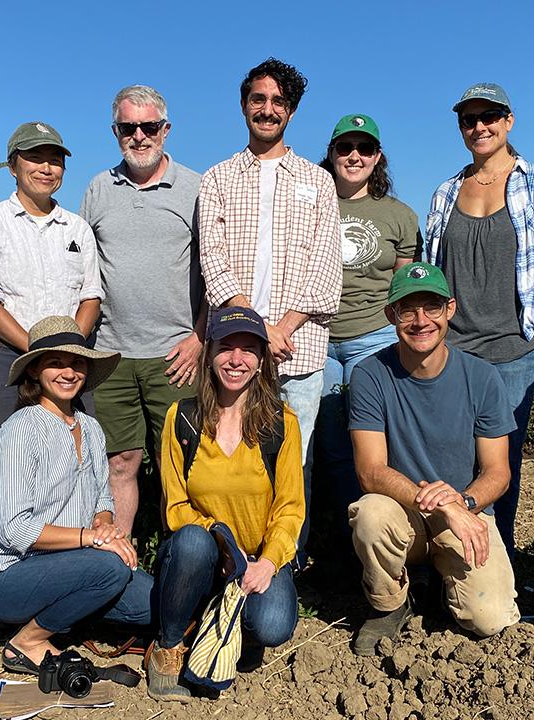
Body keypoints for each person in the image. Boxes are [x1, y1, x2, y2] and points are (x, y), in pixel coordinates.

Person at [419, 82, 534, 562]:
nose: (479, 127)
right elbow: (431, 266)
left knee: (498, 465)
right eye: (469, 119)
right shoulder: (446, 191)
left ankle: (494, 561)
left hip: (513, 353)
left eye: (489, 117)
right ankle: (444, 559)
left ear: (508, 122)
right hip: (454, 349)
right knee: (447, 454)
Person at [198, 58, 341, 561]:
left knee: (291, 463)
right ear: (243, 106)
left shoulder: (318, 183)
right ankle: (226, 561)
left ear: (292, 111)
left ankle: (283, 566)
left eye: (278, 102)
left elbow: (326, 266)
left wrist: (283, 326)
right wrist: (256, 330)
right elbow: (211, 260)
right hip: (235, 350)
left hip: (298, 349)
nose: (267, 109)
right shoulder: (217, 178)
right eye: (258, 99)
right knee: (230, 457)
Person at [347, 263, 521, 655]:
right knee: (370, 514)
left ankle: (441, 586)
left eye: (432, 307)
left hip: (464, 511)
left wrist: (462, 504)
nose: (421, 320)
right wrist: (439, 503)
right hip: (400, 512)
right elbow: (370, 471)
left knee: (489, 618)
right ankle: (389, 605)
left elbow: (498, 472)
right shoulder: (370, 375)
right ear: (391, 315)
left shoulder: (482, 377)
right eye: (408, 310)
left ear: (451, 310)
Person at [0, 316, 152, 675]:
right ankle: (28, 640)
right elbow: (16, 531)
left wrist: (105, 527)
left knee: (152, 604)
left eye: (77, 363)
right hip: (4, 571)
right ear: (35, 370)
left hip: (70, 562)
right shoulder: (21, 431)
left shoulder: (91, 428)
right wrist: (93, 538)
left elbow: (103, 499)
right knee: (110, 568)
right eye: (56, 362)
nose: (68, 372)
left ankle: (58, 616)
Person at [146, 306, 304, 702]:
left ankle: (226, 620)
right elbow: (175, 505)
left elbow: (290, 507)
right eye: (226, 348)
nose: (236, 360)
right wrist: (221, 540)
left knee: (272, 625)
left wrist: (267, 563)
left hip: (257, 557)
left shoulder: (282, 424)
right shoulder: (182, 419)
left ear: (262, 359)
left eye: (248, 349)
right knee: (192, 542)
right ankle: (167, 645)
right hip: (204, 551)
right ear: (209, 352)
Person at [0, 121, 103, 520]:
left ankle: (73, 539)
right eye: (35, 158)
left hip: (69, 359)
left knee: (78, 454)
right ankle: (3, 545)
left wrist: (66, 352)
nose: (46, 167)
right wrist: (36, 351)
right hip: (7, 355)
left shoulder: (76, 228)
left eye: (54, 159)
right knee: (2, 453)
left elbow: (91, 296)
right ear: (12, 165)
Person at [80, 85, 204, 535]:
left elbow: (216, 272)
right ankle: (121, 563)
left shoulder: (195, 188)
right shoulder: (98, 188)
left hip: (175, 357)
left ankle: (183, 567)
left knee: (180, 466)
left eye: (148, 126)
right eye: (128, 127)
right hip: (111, 354)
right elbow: (81, 266)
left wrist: (199, 338)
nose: (139, 136)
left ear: (165, 130)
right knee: (121, 461)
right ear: (116, 132)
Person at [314, 113, 419, 541]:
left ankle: (376, 536)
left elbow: (404, 289)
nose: (354, 156)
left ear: (378, 158)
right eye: (345, 148)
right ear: (332, 154)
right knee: (325, 443)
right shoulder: (310, 202)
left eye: (365, 149)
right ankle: (335, 538)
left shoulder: (399, 215)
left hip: (372, 337)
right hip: (315, 335)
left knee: (370, 441)